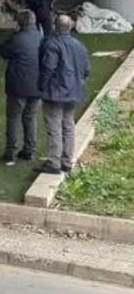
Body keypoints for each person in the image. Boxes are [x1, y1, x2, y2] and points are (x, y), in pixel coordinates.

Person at [35, 14, 90, 174]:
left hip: (55, 92)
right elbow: (86, 70)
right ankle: (67, 161)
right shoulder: (79, 45)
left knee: (54, 126)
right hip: (74, 91)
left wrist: (41, 86)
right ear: (70, 27)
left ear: (55, 26)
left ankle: (54, 163)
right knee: (68, 125)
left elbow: (48, 68)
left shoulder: (51, 44)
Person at [0, 10, 42, 164]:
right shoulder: (41, 38)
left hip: (17, 86)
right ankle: (29, 150)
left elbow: (1, 50)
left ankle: (11, 151)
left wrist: (12, 34)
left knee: (13, 118)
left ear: (19, 23)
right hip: (37, 85)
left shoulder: (17, 39)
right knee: (31, 117)